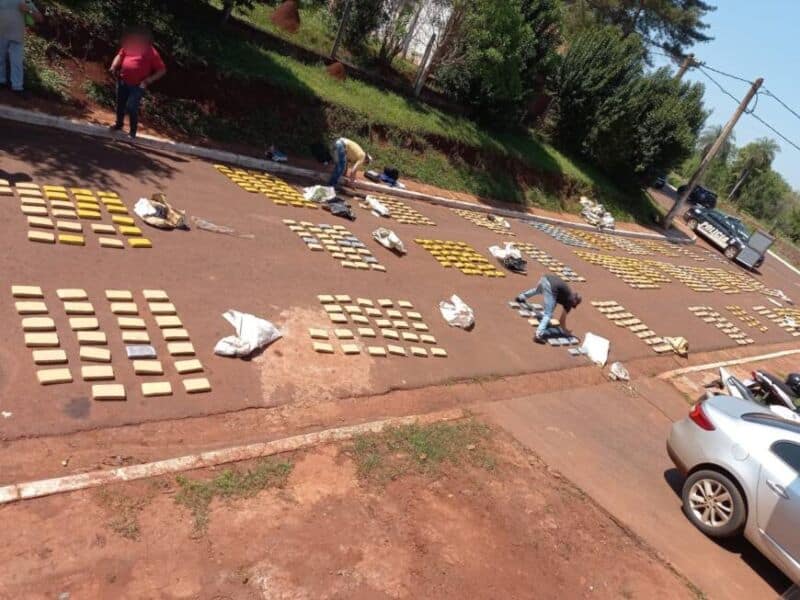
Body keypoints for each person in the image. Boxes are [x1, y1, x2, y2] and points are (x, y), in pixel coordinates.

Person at [108, 27, 166, 139]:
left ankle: (132, 132)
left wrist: (148, 80)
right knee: (120, 104)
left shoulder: (152, 52)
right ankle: (119, 125)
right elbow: (120, 55)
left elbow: (162, 70)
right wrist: (114, 66)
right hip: (123, 81)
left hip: (138, 86)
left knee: (131, 107)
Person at [516, 274, 582, 344]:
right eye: (575, 304)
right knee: (548, 314)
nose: (573, 306)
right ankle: (538, 335)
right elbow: (561, 321)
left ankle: (521, 297)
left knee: (538, 290)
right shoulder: (569, 301)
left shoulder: (567, 293)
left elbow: (554, 301)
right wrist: (566, 331)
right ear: (574, 302)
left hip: (545, 279)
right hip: (551, 287)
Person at [0, 0, 43, 93]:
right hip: (1, 34)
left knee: (17, 62)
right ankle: (1, 81)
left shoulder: (25, 1)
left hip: (17, 35)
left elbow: (40, 18)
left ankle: (17, 87)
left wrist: (29, 10)